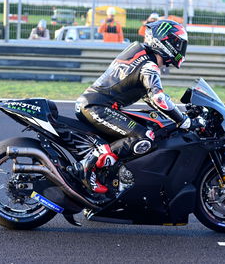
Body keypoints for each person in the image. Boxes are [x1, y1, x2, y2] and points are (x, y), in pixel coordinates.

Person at [75, 20, 190, 193]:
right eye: (177, 43)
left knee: (144, 126)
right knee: (144, 136)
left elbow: (149, 98)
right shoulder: (149, 66)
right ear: (165, 42)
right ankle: (87, 166)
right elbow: (158, 98)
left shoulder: (140, 54)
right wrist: (182, 119)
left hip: (95, 105)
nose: (180, 48)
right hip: (98, 107)